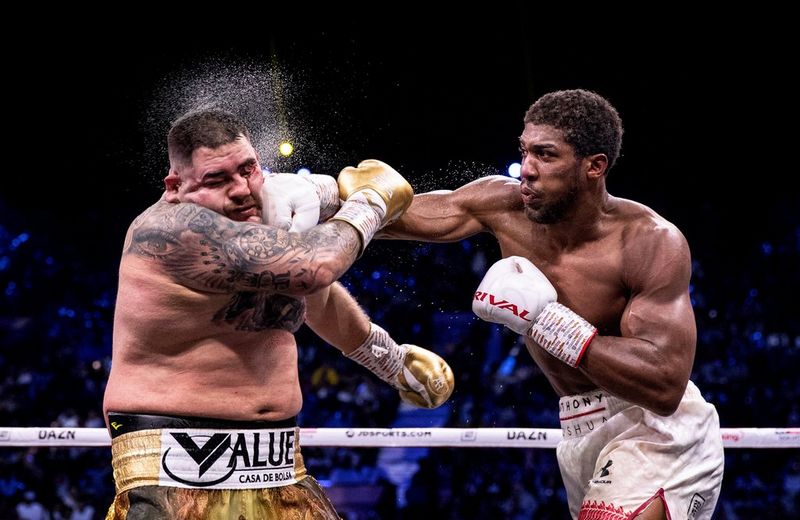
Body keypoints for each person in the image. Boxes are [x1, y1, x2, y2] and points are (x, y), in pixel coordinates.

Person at [276, 89, 724, 519]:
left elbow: (664, 386)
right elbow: (394, 211)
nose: (526, 168)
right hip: (578, 426)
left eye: (546, 155)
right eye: (525, 150)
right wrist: (318, 197)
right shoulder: (503, 204)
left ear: (594, 166)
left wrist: (548, 321)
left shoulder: (649, 241)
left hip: (653, 429)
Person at [102, 108, 454, 519]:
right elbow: (316, 268)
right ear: (175, 185)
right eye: (217, 179)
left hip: (279, 467)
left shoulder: (261, 221)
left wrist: (392, 362)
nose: (241, 190)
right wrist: (369, 202)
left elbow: (312, 297)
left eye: (247, 169)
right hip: (175, 470)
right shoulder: (172, 230)